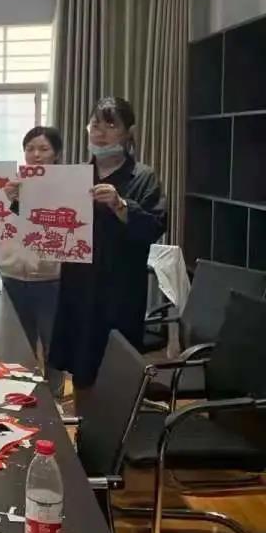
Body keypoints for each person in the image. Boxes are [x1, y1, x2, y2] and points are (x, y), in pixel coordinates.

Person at [50, 96, 167, 407]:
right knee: (81, 366)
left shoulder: (142, 176)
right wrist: (17, 200)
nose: (100, 132)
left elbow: (155, 226)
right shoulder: (74, 177)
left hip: (120, 289)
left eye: (111, 125)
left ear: (129, 132)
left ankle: (116, 432)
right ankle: (84, 430)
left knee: (117, 368)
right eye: (95, 125)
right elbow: (45, 222)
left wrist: (121, 205)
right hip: (78, 286)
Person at [0, 127, 65, 396]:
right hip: (12, 274)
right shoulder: (9, 185)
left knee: (53, 344)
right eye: (30, 149)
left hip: (50, 277)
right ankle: (21, 395)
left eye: (43, 149)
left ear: (56, 154)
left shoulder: (68, 188)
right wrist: (6, 200)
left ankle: (55, 397)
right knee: (18, 344)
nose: (36, 154)